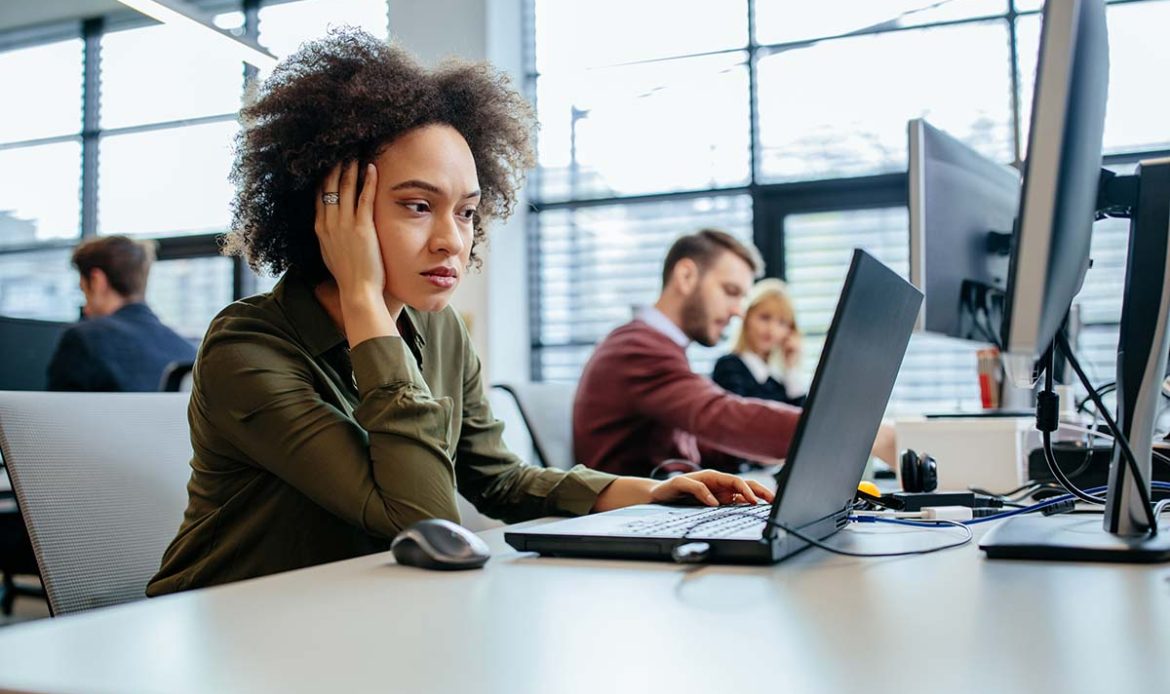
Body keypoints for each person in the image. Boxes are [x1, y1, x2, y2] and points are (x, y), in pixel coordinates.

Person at [146, 30, 770, 596]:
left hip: (361, 616)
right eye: (418, 206)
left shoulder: (438, 329)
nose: (453, 240)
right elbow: (423, 518)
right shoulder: (245, 347)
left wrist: (645, 494)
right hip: (230, 630)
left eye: (467, 211)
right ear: (331, 212)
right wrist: (364, 299)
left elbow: (497, 480)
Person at [574, 229, 896, 478]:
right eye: (730, 292)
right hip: (631, 526)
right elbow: (721, 416)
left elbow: (697, 441)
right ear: (686, 276)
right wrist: (859, 433)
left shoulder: (658, 346)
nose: (738, 312)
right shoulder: (637, 349)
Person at [46, 235, 196, 392]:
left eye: (83, 290)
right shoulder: (187, 350)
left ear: (97, 281)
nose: (85, 308)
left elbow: (55, 413)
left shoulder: (82, 339)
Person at [712, 278, 806, 406]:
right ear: (747, 317)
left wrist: (791, 367)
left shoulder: (778, 381)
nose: (771, 330)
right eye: (765, 318)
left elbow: (801, 418)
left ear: (790, 332)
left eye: (782, 323)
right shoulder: (729, 367)